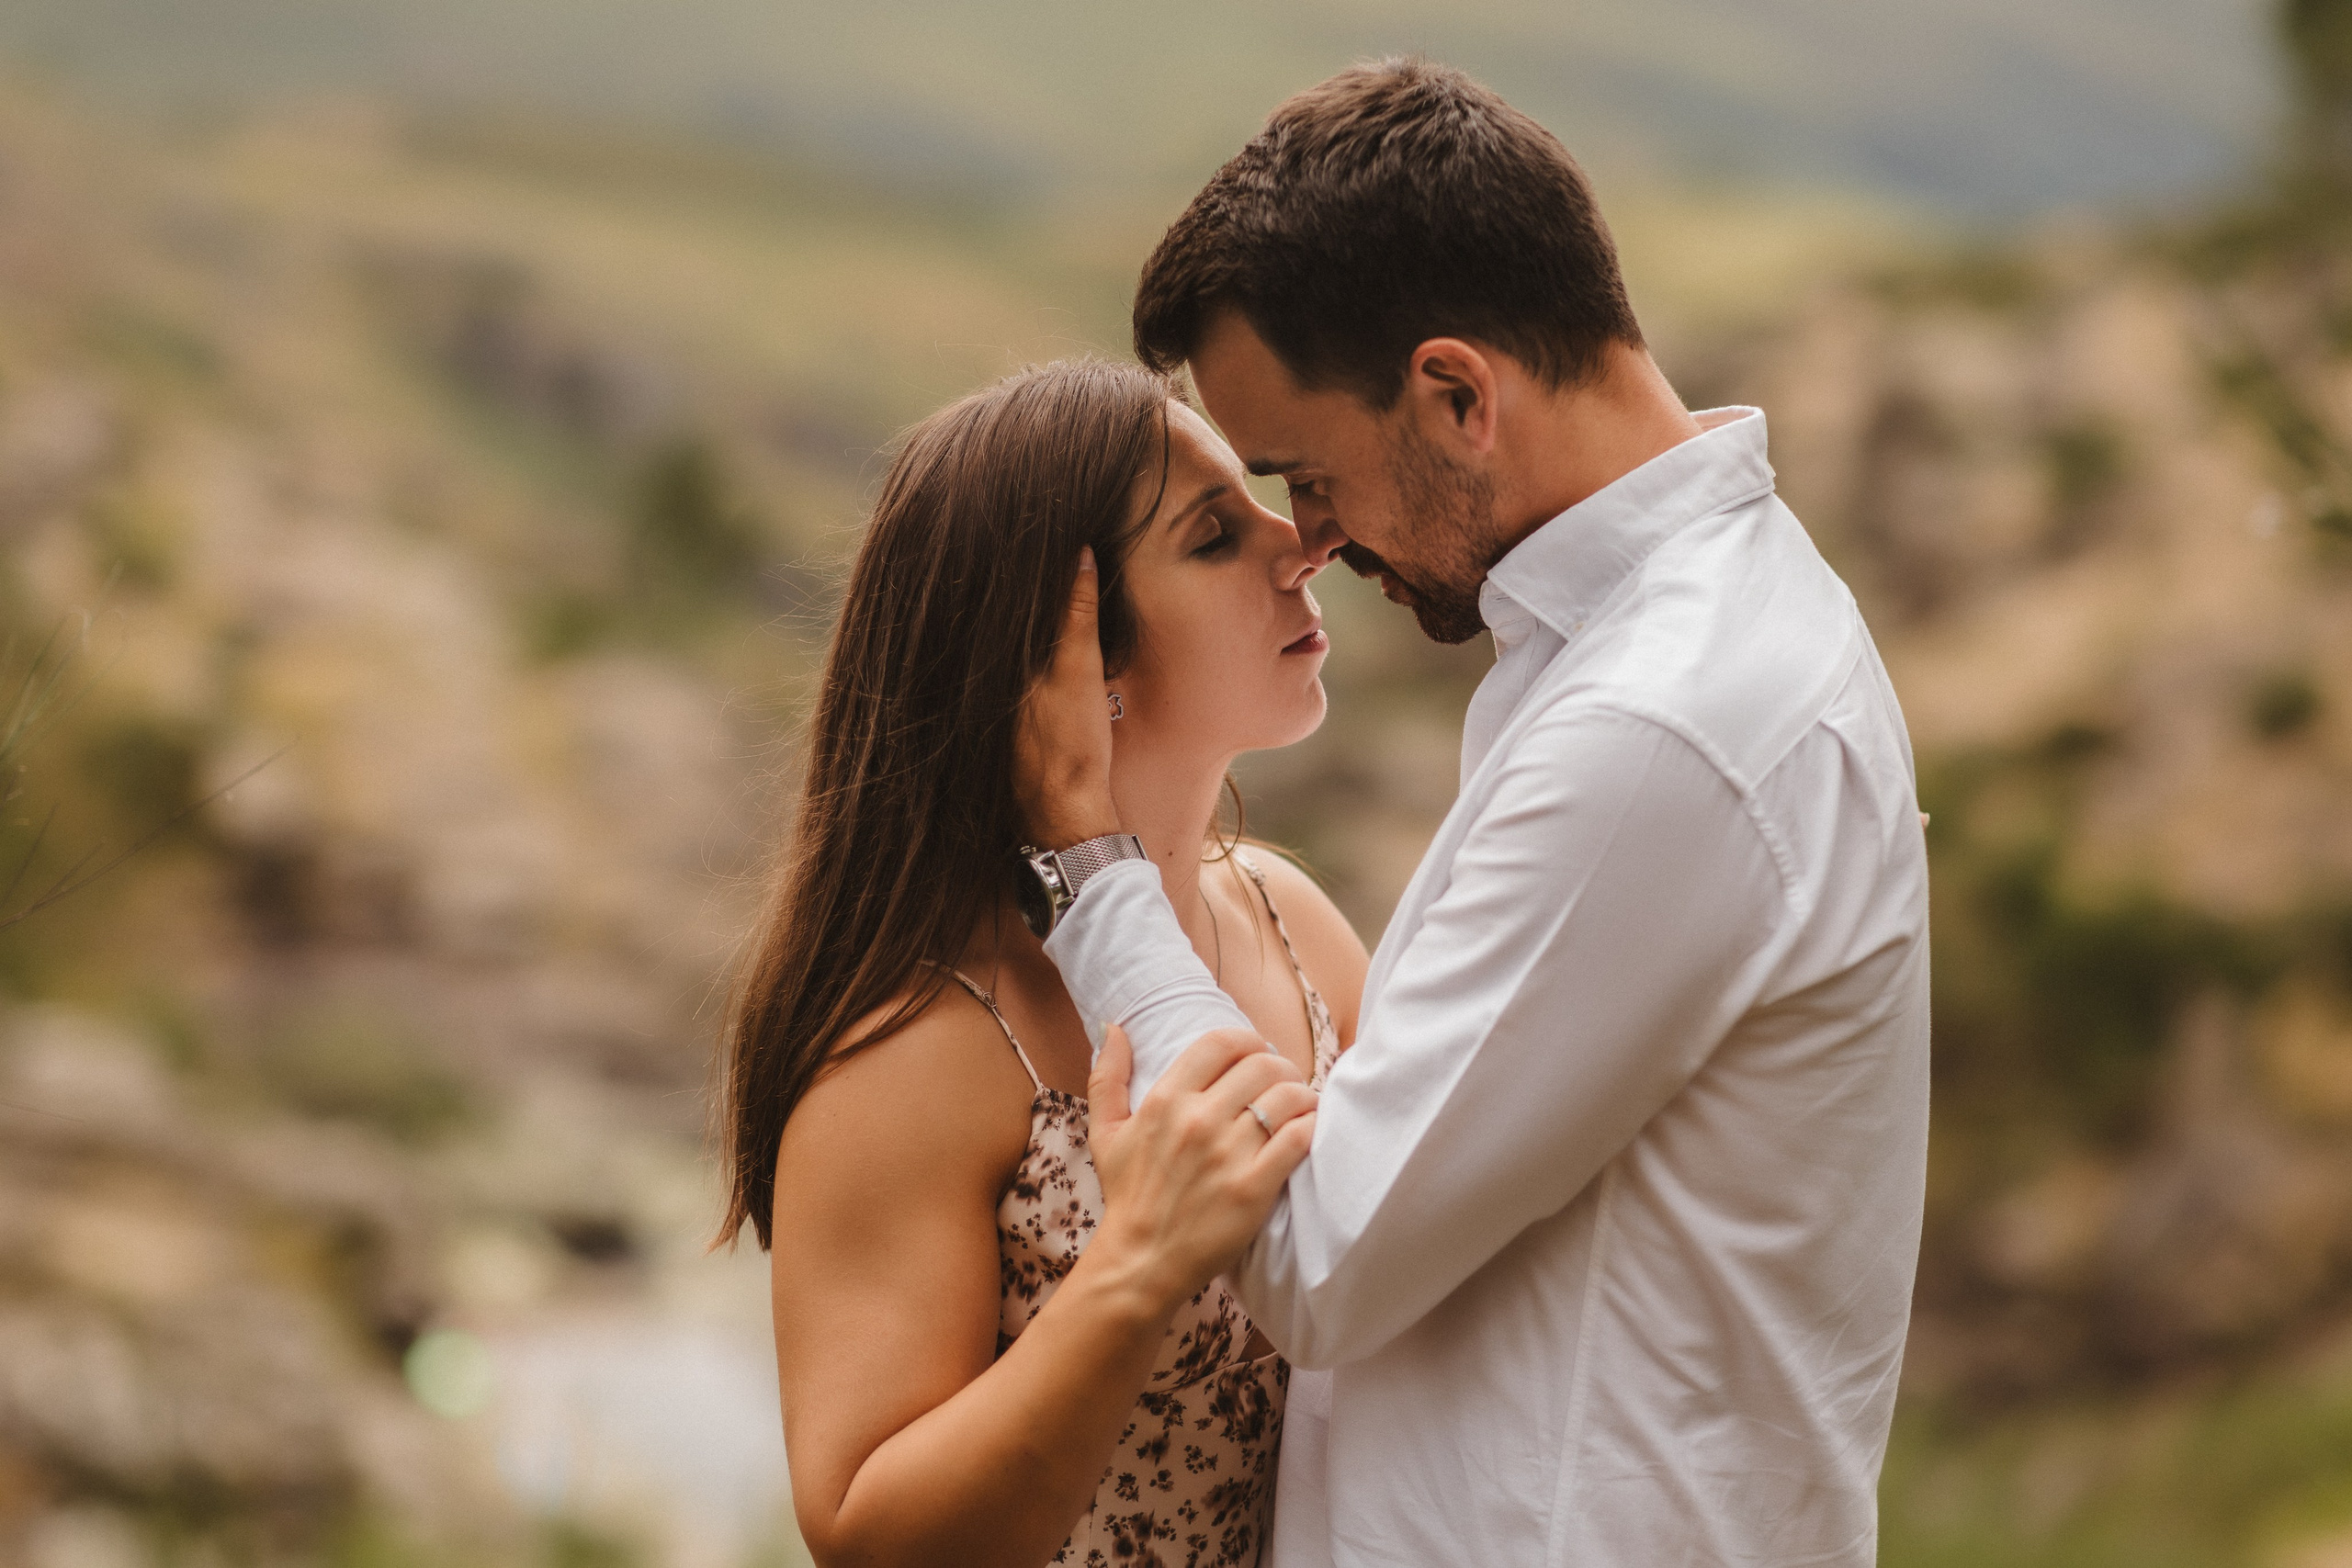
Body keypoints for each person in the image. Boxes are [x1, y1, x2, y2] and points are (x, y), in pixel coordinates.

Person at [1014, 60, 1932, 1567]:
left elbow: (1312, 1260)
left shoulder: (1663, 724)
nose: (1306, 540)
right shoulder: (1678, 647)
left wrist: (1096, 875)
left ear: (1455, 392)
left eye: (1308, 474)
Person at [715, 357, 1365, 1568]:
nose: (1301, 543)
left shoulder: (1291, 921)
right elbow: (865, 1537)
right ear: (1073, 666)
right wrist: (1135, 1272)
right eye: (1215, 537)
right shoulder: (922, 1049)